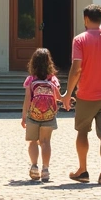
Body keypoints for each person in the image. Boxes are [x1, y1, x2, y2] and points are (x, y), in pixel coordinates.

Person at [61, 4, 101, 185]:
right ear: (100, 19)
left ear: (86, 19)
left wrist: (68, 94)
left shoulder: (80, 40)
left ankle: (82, 170)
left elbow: (76, 70)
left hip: (86, 96)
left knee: (83, 132)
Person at [21, 47, 62, 182]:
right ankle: (45, 169)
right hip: (49, 115)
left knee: (33, 141)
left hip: (33, 114)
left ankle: (34, 167)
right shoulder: (53, 79)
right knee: (45, 142)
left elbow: (27, 99)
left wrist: (24, 116)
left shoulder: (31, 80)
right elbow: (57, 97)